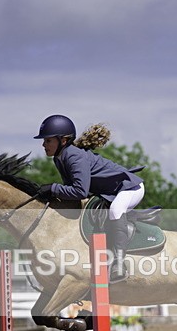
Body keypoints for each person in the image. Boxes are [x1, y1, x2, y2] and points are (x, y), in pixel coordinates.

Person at [34, 114, 145, 283]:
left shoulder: (74, 156)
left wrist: (53, 188)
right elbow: (72, 189)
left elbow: (80, 191)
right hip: (109, 192)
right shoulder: (59, 158)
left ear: (63, 140)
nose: (44, 145)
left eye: (48, 140)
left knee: (115, 211)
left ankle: (119, 264)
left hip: (129, 188)